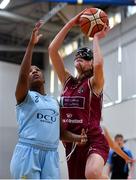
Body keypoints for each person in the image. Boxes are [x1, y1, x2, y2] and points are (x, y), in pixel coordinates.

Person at [10, 21, 87, 179]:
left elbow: (59, 133)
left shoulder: (53, 102)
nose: (34, 71)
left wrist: (77, 138)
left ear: (44, 78)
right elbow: (23, 75)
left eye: (37, 69)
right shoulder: (24, 96)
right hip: (28, 152)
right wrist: (31, 45)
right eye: (31, 71)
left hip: (51, 154)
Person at [48, 9, 110, 179]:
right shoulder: (68, 81)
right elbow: (53, 50)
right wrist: (70, 23)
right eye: (78, 55)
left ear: (91, 64)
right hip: (72, 143)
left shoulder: (94, 83)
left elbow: (98, 66)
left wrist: (96, 38)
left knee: (92, 173)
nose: (81, 55)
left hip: (93, 140)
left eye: (86, 56)